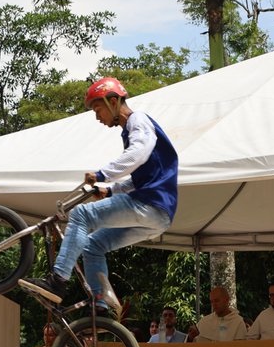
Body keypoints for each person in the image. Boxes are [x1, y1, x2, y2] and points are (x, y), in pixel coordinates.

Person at [22, 77, 178, 312]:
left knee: (82, 215)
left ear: (113, 101)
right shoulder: (131, 130)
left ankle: (57, 282)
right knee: (93, 245)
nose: (97, 117)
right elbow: (142, 176)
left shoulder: (139, 121)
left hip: (149, 204)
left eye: (98, 109)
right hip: (158, 217)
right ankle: (101, 303)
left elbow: (138, 154)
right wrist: (111, 190)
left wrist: (103, 174)